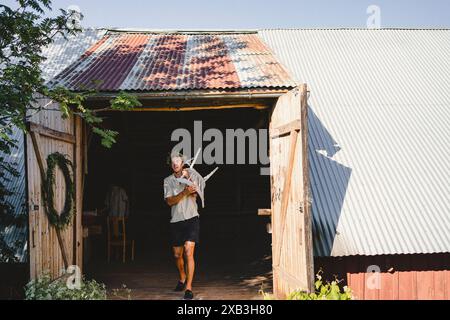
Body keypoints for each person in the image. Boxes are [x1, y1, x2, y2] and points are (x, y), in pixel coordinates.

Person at [163, 153, 199, 300]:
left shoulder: (191, 177)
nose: (175, 163)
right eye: (172, 162)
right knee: (177, 255)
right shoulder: (168, 181)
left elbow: (196, 194)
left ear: (183, 163)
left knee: (189, 252)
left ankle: (189, 288)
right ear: (171, 165)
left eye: (178, 161)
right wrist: (185, 192)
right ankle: (182, 277)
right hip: (176, 221)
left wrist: (190, 184)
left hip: (192, 218)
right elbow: (170, 201)